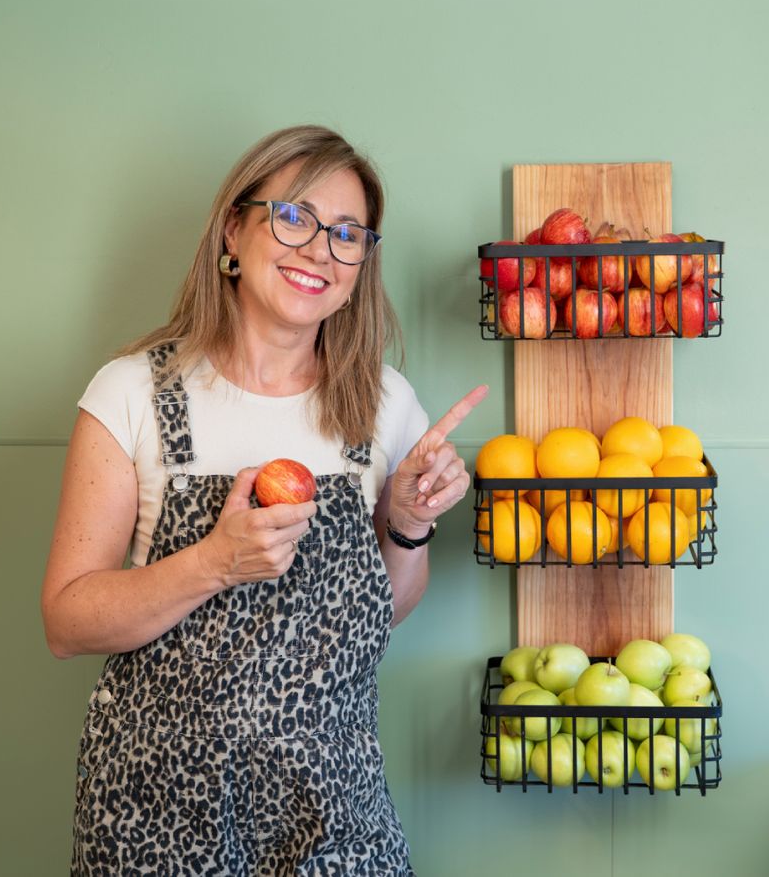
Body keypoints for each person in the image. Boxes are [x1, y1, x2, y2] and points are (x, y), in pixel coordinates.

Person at [41, 124, 487, 876]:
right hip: (156, 816)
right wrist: (214, 562)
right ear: (233, 232)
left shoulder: (380, 407)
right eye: (294, 217)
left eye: (348, 234)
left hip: (333, 811)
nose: (321, 248)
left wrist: (408, 526)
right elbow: (66, 620)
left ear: (360, 266)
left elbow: (385, 604)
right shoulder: (134, 394)